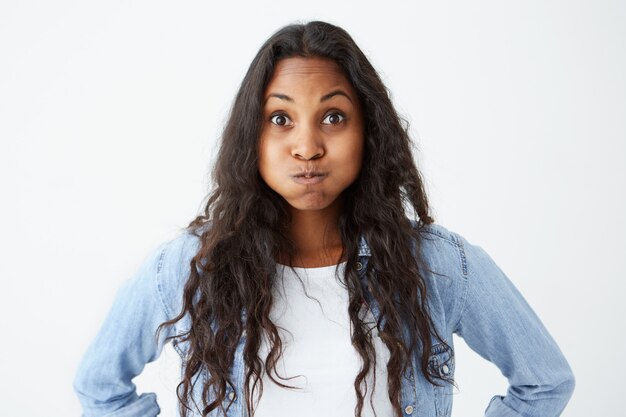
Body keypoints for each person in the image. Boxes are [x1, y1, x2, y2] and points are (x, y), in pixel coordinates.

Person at [73, 21, 575, 417]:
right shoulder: (190, 265)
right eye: (280, 118)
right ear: (252, 136)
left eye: (333, 117)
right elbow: (100, 388)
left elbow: (545, 382)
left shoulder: (438, 265)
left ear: (368, 131)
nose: (308, 147)